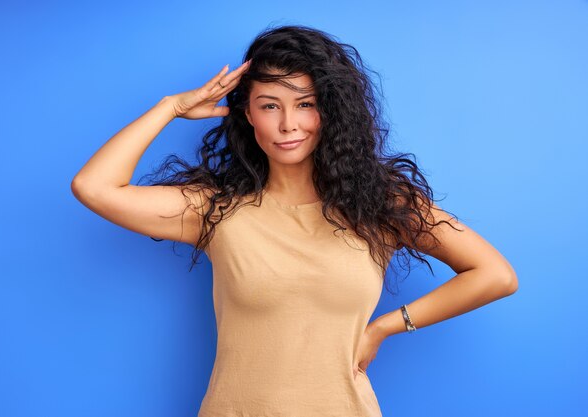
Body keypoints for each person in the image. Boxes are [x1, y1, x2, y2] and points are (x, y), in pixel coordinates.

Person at [71, 24, 519, 417]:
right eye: (270, 106)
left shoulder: (379, 204)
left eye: (305, 103)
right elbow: (95, 188)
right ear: (247, 115)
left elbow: (495, 275)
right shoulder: (216, 209)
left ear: (330, 112)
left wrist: (385, 326)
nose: (288, 124)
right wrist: (170, 107)